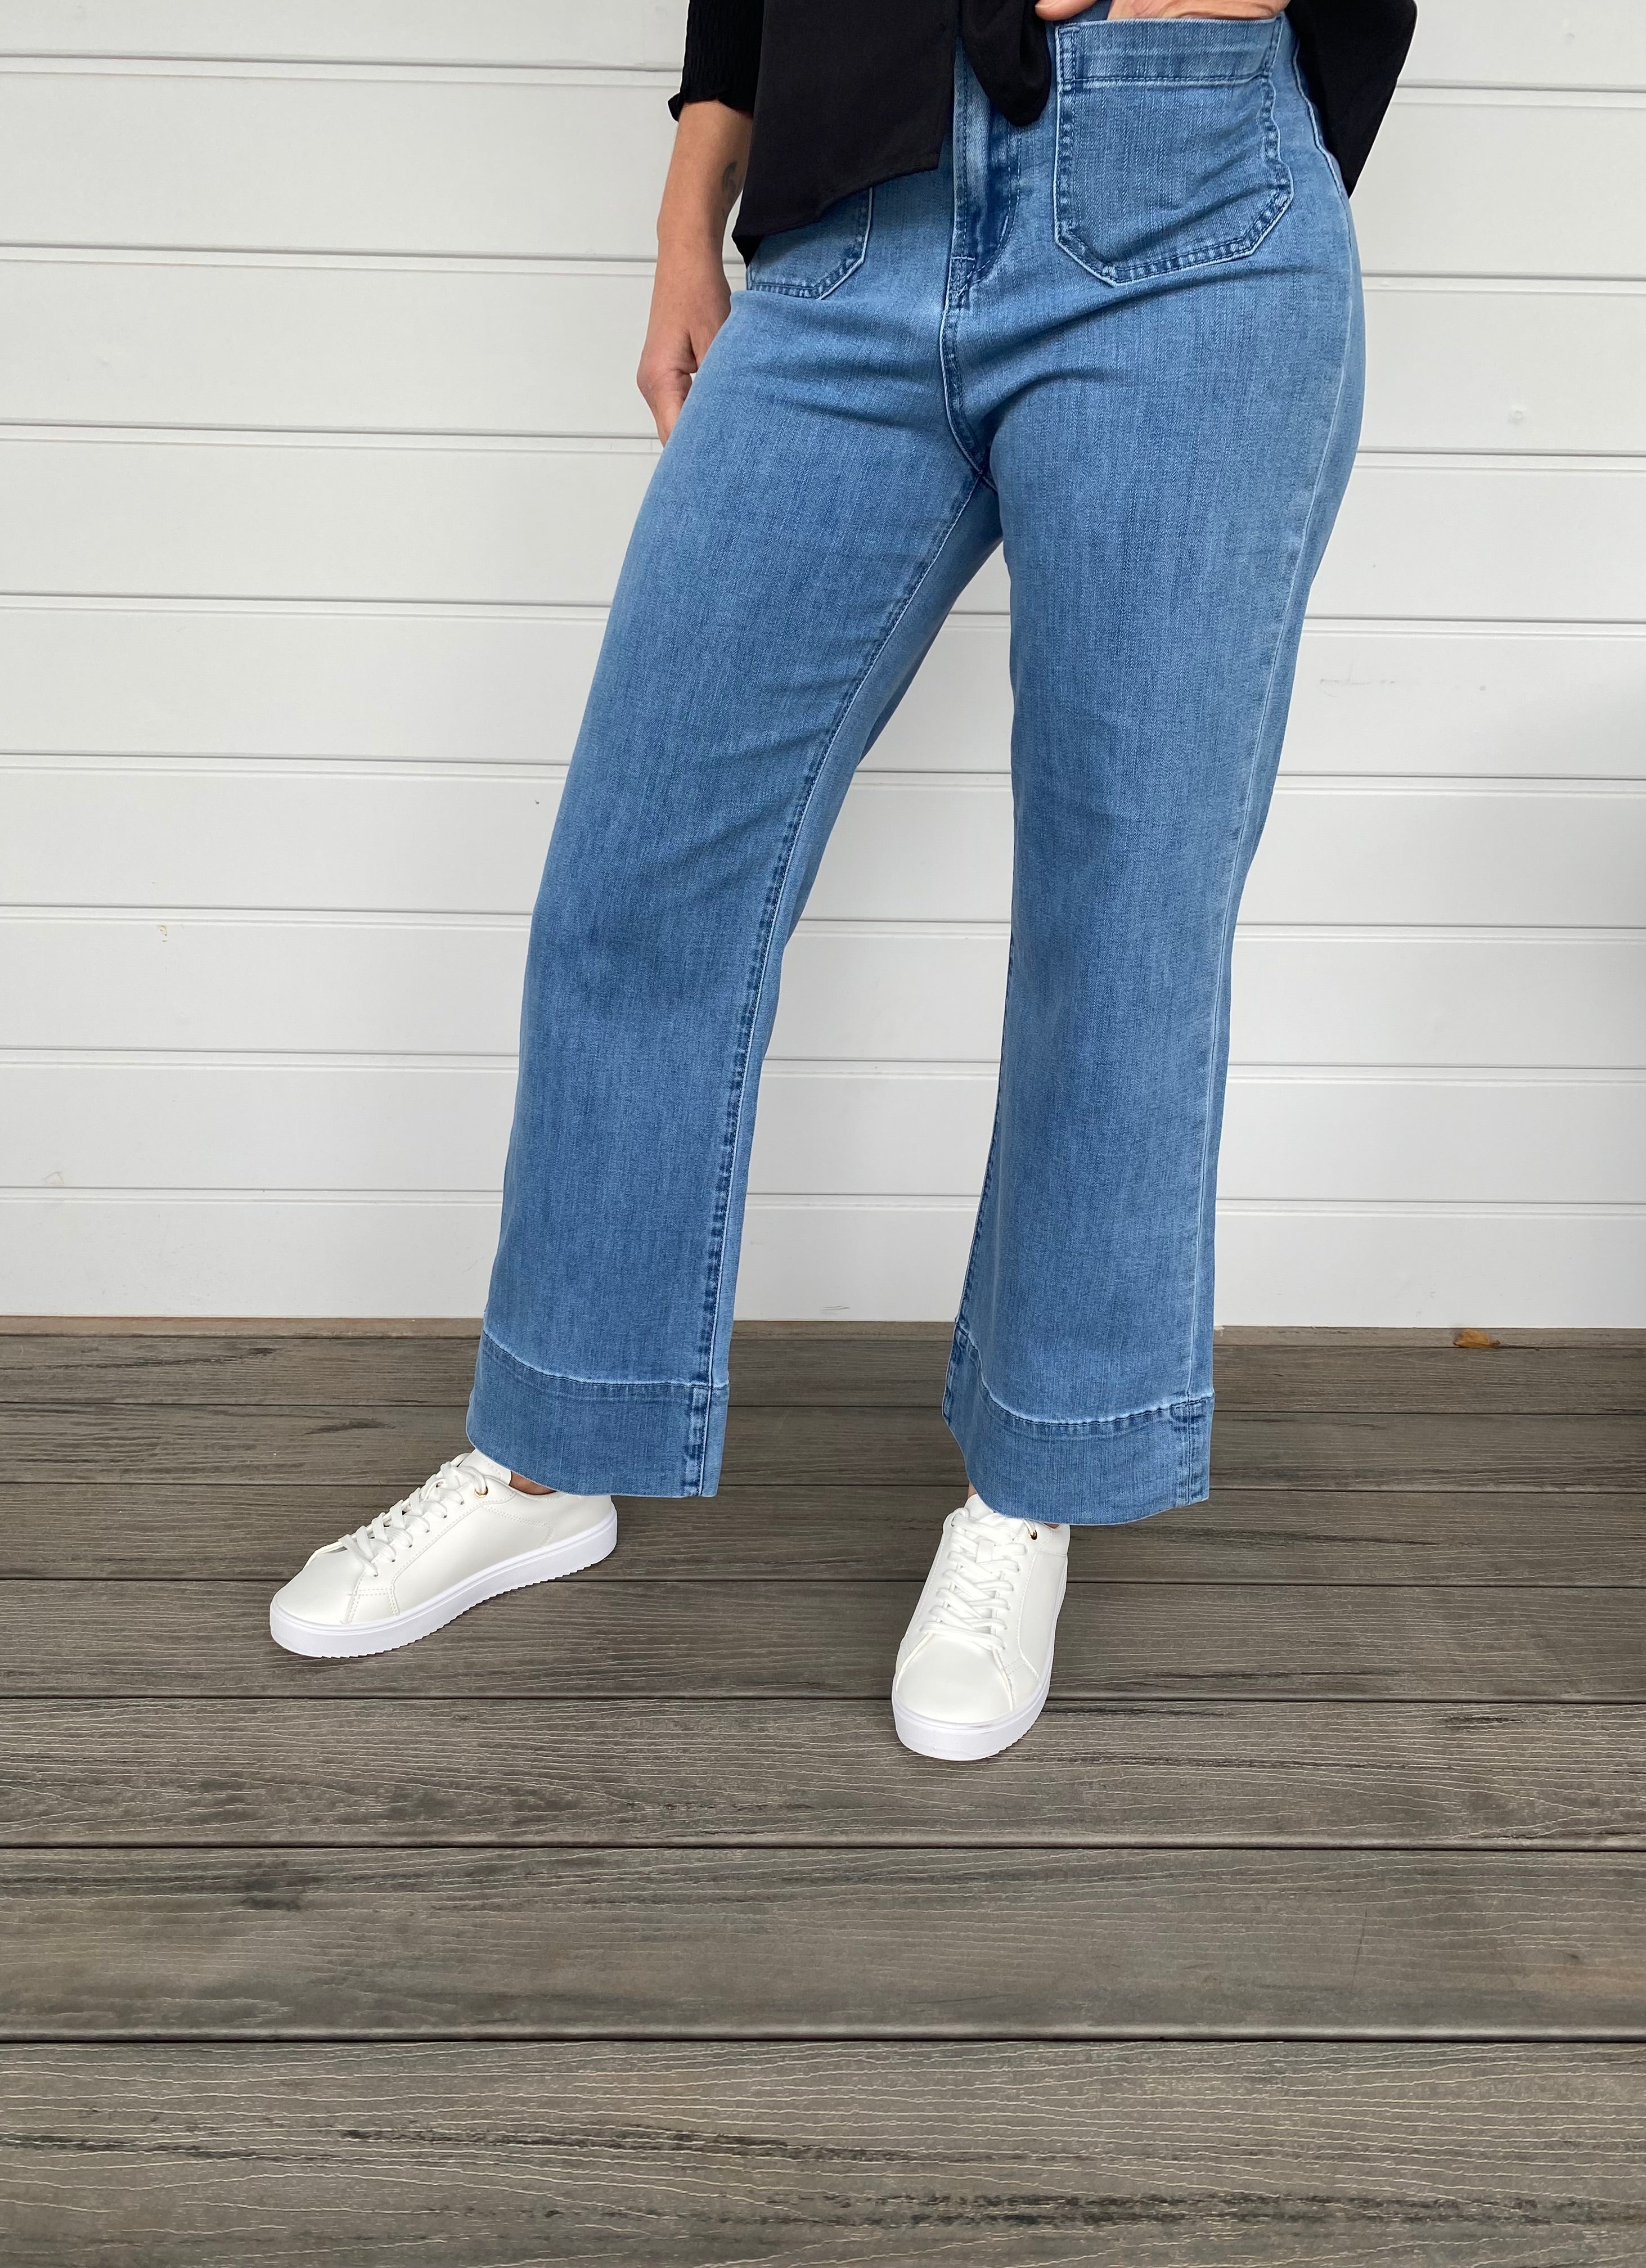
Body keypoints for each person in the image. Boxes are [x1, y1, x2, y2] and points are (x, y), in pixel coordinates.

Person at [269, 0, 1415, 1761]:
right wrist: (685, 214)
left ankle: (1031, 1491)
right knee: (645, 868)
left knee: (1127, 899)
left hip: (1192, 206)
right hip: (839, 224)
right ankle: (551, 1444)